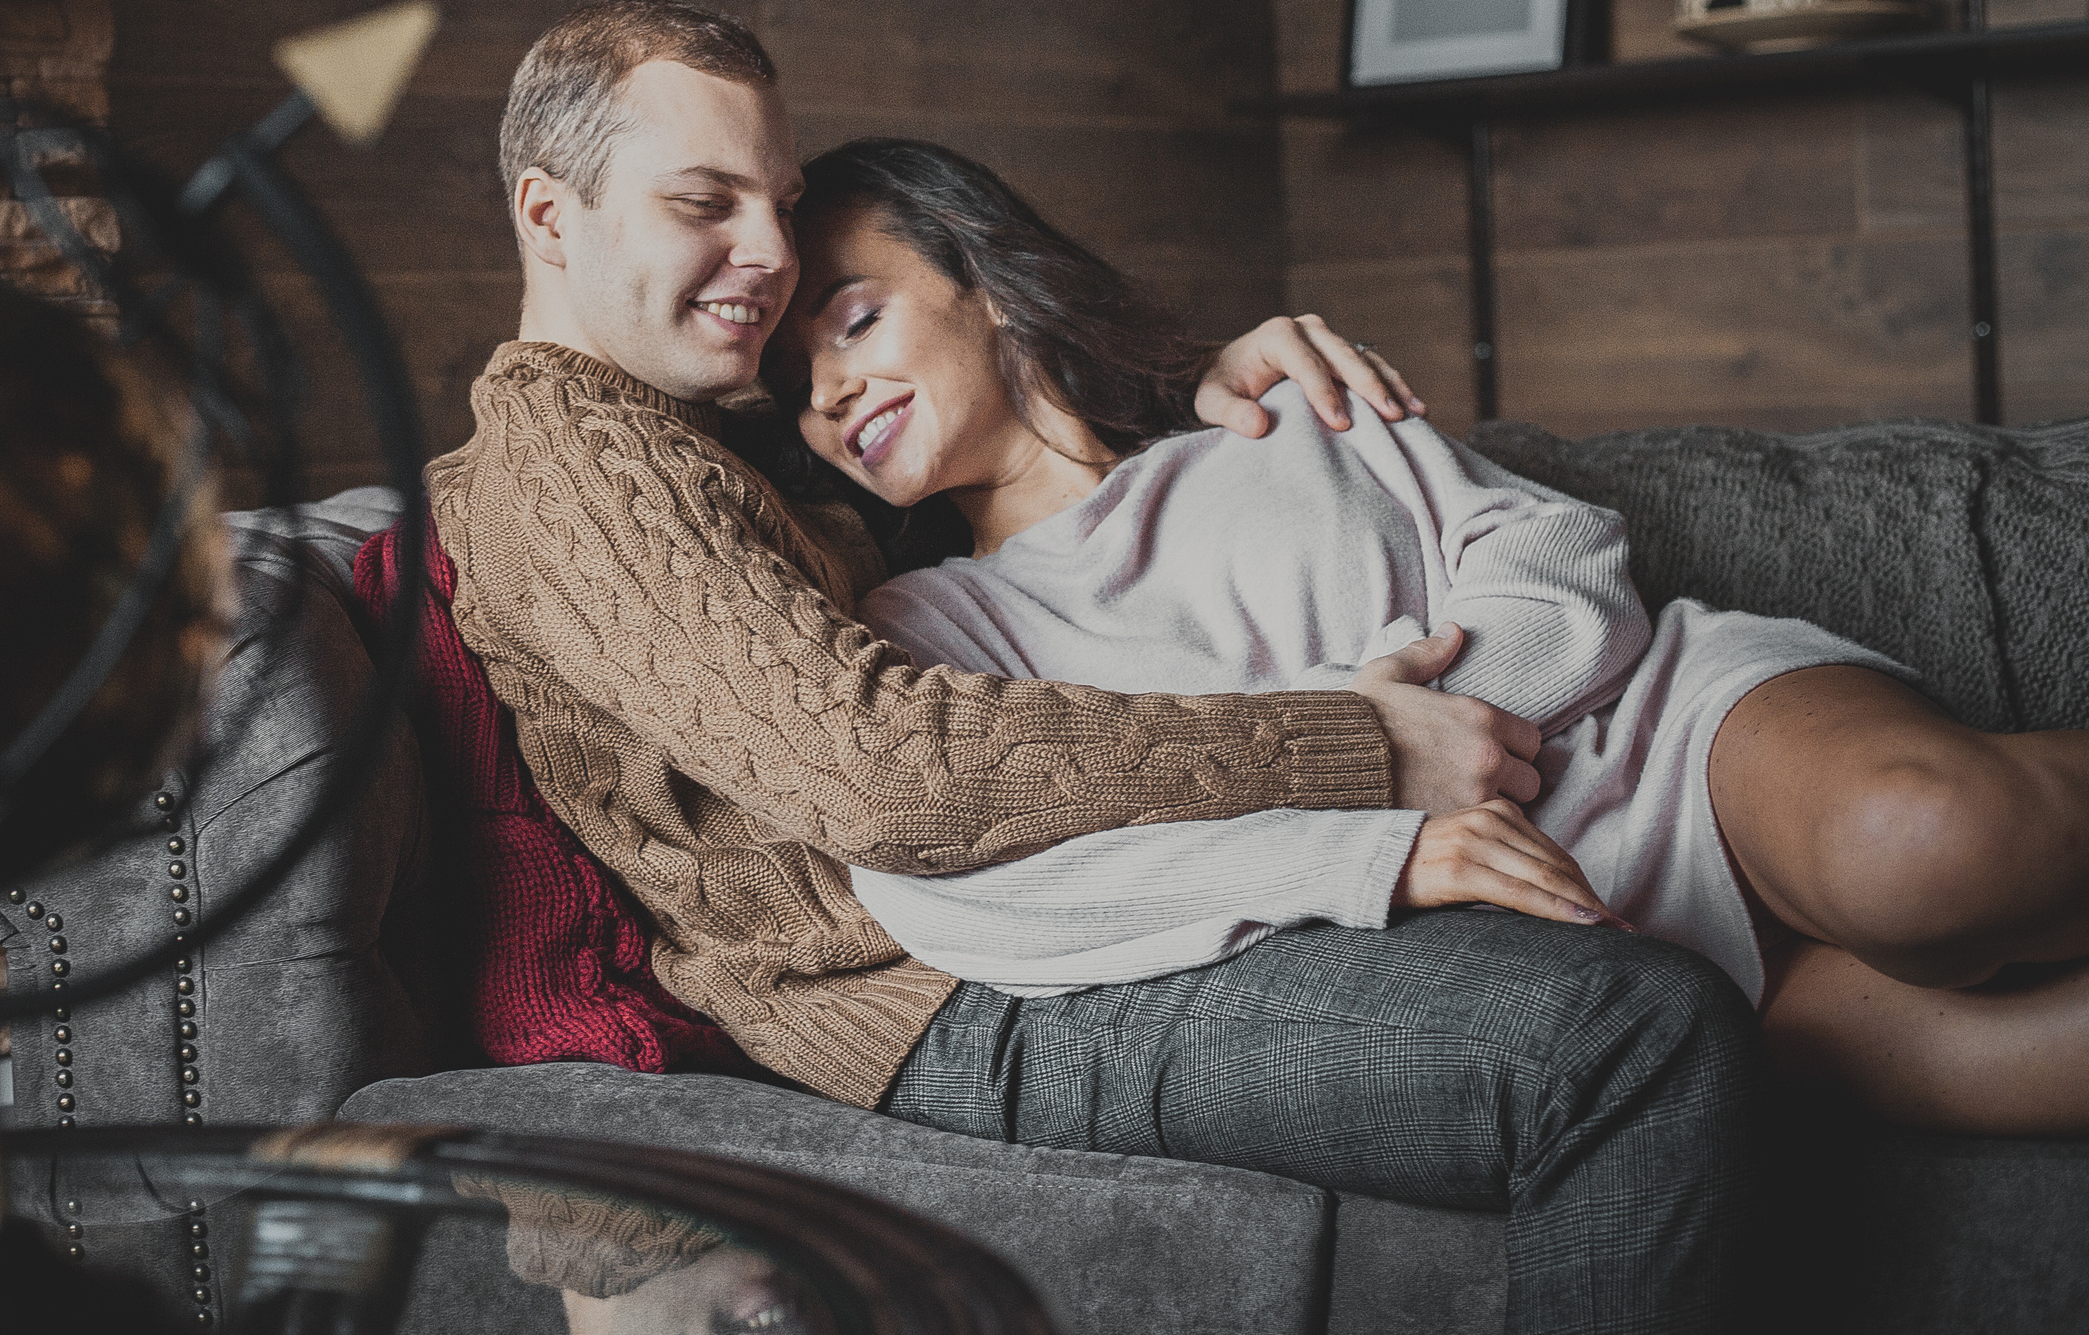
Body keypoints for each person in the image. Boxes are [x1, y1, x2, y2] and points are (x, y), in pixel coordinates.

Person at [432, 0, 1762, 1335]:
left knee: (1645, 1004)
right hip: (938, 994)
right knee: (1627, 1037)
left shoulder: (697, 418)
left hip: (1034, 909)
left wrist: (1180, 384)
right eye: (706, 203)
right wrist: (1355, 749)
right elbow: (884, 773)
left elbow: (972, 441)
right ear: (550, 216)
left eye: (778, 202)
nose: (768, 252)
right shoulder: (574, 462)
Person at [768, 133, 2089, 1142]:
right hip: (1565, 938)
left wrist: (1457, 730)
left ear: (976, 273)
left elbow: (1558, 555)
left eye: (854, 318)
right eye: (795, 389)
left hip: (1662, 733)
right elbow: (941, 883)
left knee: (1927, 846)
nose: (829, 394)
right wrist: (1366, 812)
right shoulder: (925, 632)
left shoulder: (1268, 406)